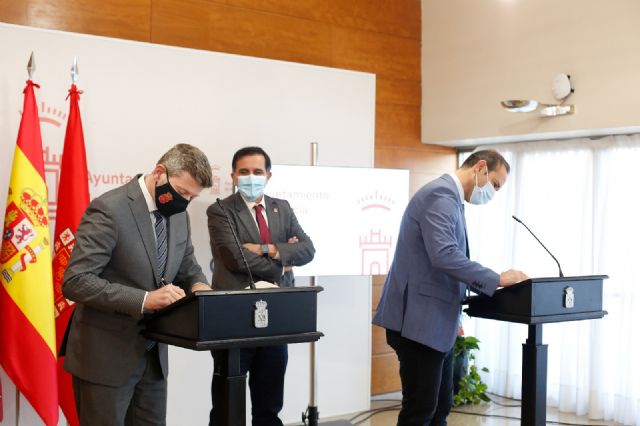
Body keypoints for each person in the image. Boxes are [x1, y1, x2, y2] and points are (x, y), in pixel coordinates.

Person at [373, 149, 528, 426]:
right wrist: (496, 279)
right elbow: (444, 255)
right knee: (420, 412)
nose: (492, 193)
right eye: (494, 185)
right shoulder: (440, 195)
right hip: (418, 323)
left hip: (434, 324)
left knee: (439, 409)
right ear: (480, 167)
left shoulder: (452, 198)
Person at [62, 143, 213, 425]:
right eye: (182, 192)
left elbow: (188, 268)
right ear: (159, 172)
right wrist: (144, 299)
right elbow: (76, 281)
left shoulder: (179, 215)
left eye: (192, 197)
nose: (185, 202)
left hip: (154, 360)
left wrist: (200, 288)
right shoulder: (109, 209)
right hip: (105, 359)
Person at [206, 146, 315, 426]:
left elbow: (307, 250)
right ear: (233, 176)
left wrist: (265, 248)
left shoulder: (282, 208)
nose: (251, 177)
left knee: (269, 405)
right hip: (234, 316)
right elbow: (236, 258)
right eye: (244, 172)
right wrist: (283, 261)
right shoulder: (220, 210)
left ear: (268, 176)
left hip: (276, 317)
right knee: (227, 408)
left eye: (257, 171)